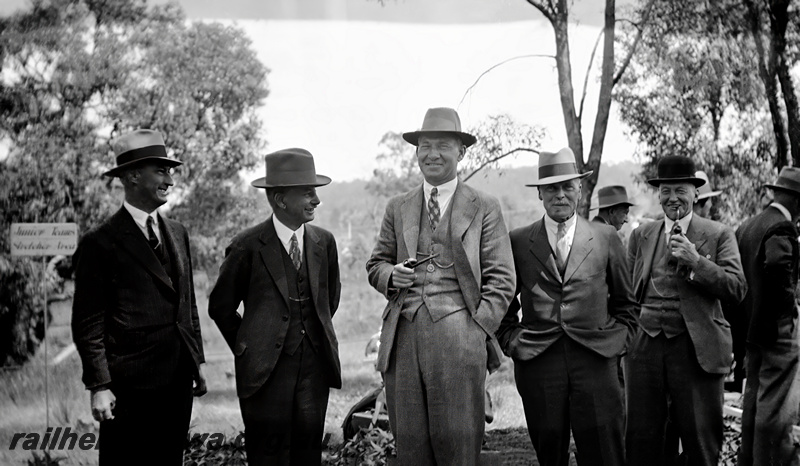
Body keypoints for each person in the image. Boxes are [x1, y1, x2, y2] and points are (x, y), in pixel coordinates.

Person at [366, 107, 516, 465]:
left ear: (461, 152)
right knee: (412, 450)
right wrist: (391, 276)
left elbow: (502, 279)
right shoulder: (398, 206)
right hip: (402, 342)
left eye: (442, 146)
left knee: (458, 450)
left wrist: (475, 331)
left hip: (460, 343)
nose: (432, 154)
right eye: (425, 145)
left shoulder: (484, 207)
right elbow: (376, 265)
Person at [72, 129, 207, 465]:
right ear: (132, 176)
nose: (170, 181)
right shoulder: (100, 243)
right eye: (160, 171)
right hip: (128, 390)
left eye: (170, 172)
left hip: (176, 384)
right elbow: (88, 324)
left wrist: (197, 361)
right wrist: (99, 385)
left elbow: (187, 306)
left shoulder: (177, 233)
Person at [496, 148, 636, 466]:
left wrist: (616, 344)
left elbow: (627, 306)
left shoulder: (606, 238)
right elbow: (503, 307)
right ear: (541, 194)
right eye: (552, 188)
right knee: (550, 456)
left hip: (597, 363)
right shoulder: (518, 241)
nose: (560, 194)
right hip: (539, 366)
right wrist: (514, 343)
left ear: (579, 189)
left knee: (605, 455)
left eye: (567, 186)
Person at [208, 148, 341, 465]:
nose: (316, 200)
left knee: (308, 456)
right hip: (264, 376)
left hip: (314, 373)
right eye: (307, 193)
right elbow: (220, 307)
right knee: (268, 457)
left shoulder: (324, 242)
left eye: (315, 192)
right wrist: (249, 347)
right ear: (280, 200)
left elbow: (328, 299)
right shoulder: (247, 246)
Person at [626, 155, 746, 466]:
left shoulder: (719, 234)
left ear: (695, 193)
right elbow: (626, 292)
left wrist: (697, 262)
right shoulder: (642, 235)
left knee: (700, 443)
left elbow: (737, 289)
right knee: (644, 442)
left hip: (696, 353)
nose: (672, 198)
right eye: (665, 191)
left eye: (681, 190)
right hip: (645, 351)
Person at [736, 167, 800, 466]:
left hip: (752, 332)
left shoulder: (747, 226)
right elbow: (777, 265)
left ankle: (747, 460)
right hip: (777, 333)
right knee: (775, 411)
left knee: (753, 401)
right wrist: (790, 311)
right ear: (796, 201)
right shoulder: (783, 228)